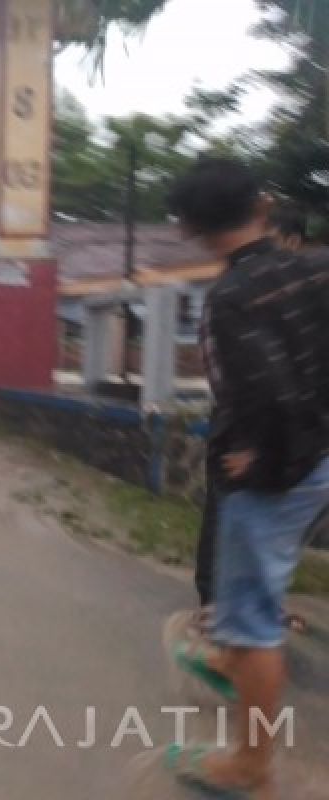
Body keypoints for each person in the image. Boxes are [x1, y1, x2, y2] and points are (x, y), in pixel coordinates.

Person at [164, 158, 329, 796]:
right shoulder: (315, 269)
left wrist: (256, 456)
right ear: (261, 205)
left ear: (189, 230)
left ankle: (250, 765)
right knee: (247, 591)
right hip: (316, 454)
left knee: (257, 619)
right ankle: (230, 652)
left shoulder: (231, 297)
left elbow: (264, 389)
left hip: (279, 469)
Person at [192, 204, 311, 635]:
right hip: (242, 428)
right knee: (227, 512)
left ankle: (259, 610)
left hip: (293, 435)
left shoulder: (300, 290)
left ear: (294, 243)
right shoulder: (233, 293)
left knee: (272, 528)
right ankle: (213, 605)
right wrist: (246, 440)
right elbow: (231, 378)